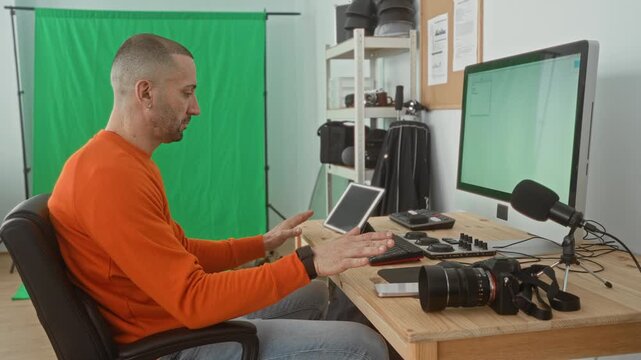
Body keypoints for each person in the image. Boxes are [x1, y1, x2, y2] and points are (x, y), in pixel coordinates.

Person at [48, 33, 395, 360]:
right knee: (364, 345)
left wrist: (262, 243)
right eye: (186, 93)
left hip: (168, 318)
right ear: (145, 93)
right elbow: (193, 299)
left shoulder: (120, 160)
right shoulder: (109, 178)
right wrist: (310, 260)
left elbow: (181, 251)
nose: (196, 108)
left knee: (314, 292)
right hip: (168, 345)